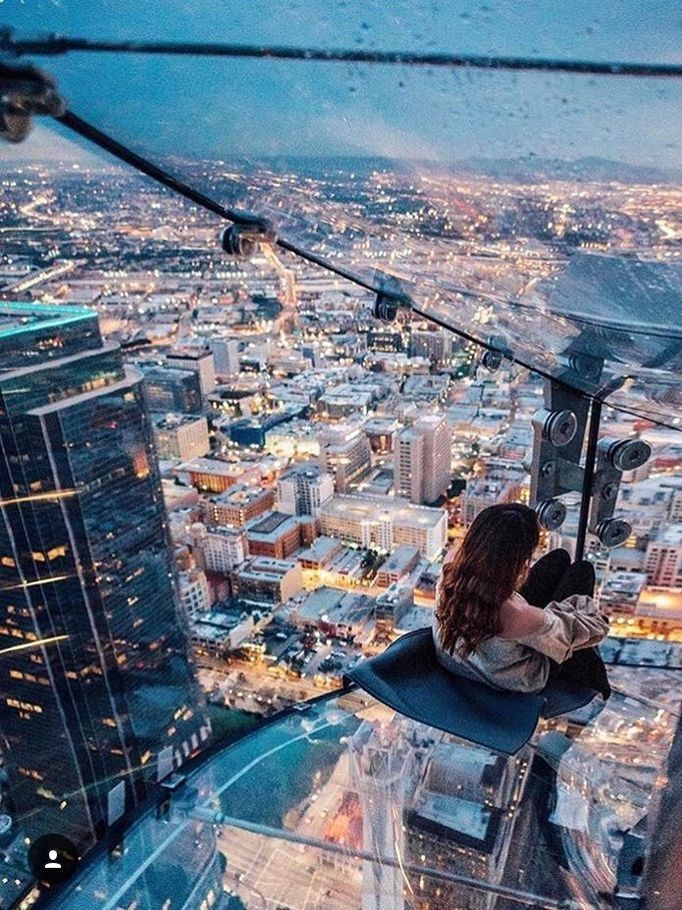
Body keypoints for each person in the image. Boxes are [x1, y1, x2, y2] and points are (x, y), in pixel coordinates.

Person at [433, 503, 610, 699]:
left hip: (458, 664)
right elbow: (588, 632)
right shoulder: (515, 614)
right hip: (509, 680)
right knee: (582, 571)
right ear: (516, 560)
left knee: (559, 558)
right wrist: (590, 617)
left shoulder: (450, 570)